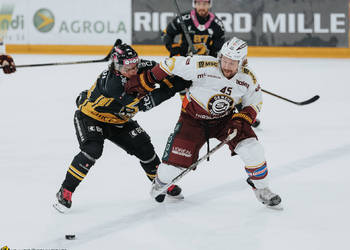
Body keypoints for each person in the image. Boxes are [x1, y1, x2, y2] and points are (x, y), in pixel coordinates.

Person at [124, 37, 282, 208]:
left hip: (225, 121)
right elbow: (171, 64)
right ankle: (161, 184)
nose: (227, 66)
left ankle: (262, 189)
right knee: (170, 170)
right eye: (225, 60)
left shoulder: (248, 78)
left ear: (243, 62)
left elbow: (254, 103)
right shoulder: (202, 65)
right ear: (220, 56)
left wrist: (241, 120)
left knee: (252, 149)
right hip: (193, 121)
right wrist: (146, 79)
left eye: (233, 63)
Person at [53, 41, 191, 213]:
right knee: (92, 150)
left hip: (120, 121)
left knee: (145, 148)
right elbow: (145, 104)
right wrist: (175, 87)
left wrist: (186, 73)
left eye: (135, 65)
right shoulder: (112, 84)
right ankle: (65, 191)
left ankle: (160, 184)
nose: (134, 70)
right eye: (129, 69)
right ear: (117, 67)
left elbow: (163, 72)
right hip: (92, 118)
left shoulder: (140, 66)